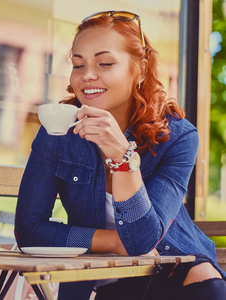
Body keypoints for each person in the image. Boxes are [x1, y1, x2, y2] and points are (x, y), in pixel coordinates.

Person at [14, 11, 226, 300]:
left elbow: (142, 240)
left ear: (139, 69)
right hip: (100, 278)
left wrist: (122, 157)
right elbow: (29, 230)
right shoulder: (59, 133)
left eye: (105, 63)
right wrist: (112, 241)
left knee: (205, 281)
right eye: (78, 64)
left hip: (169, 267)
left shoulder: (178, 137)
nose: (87, 75)